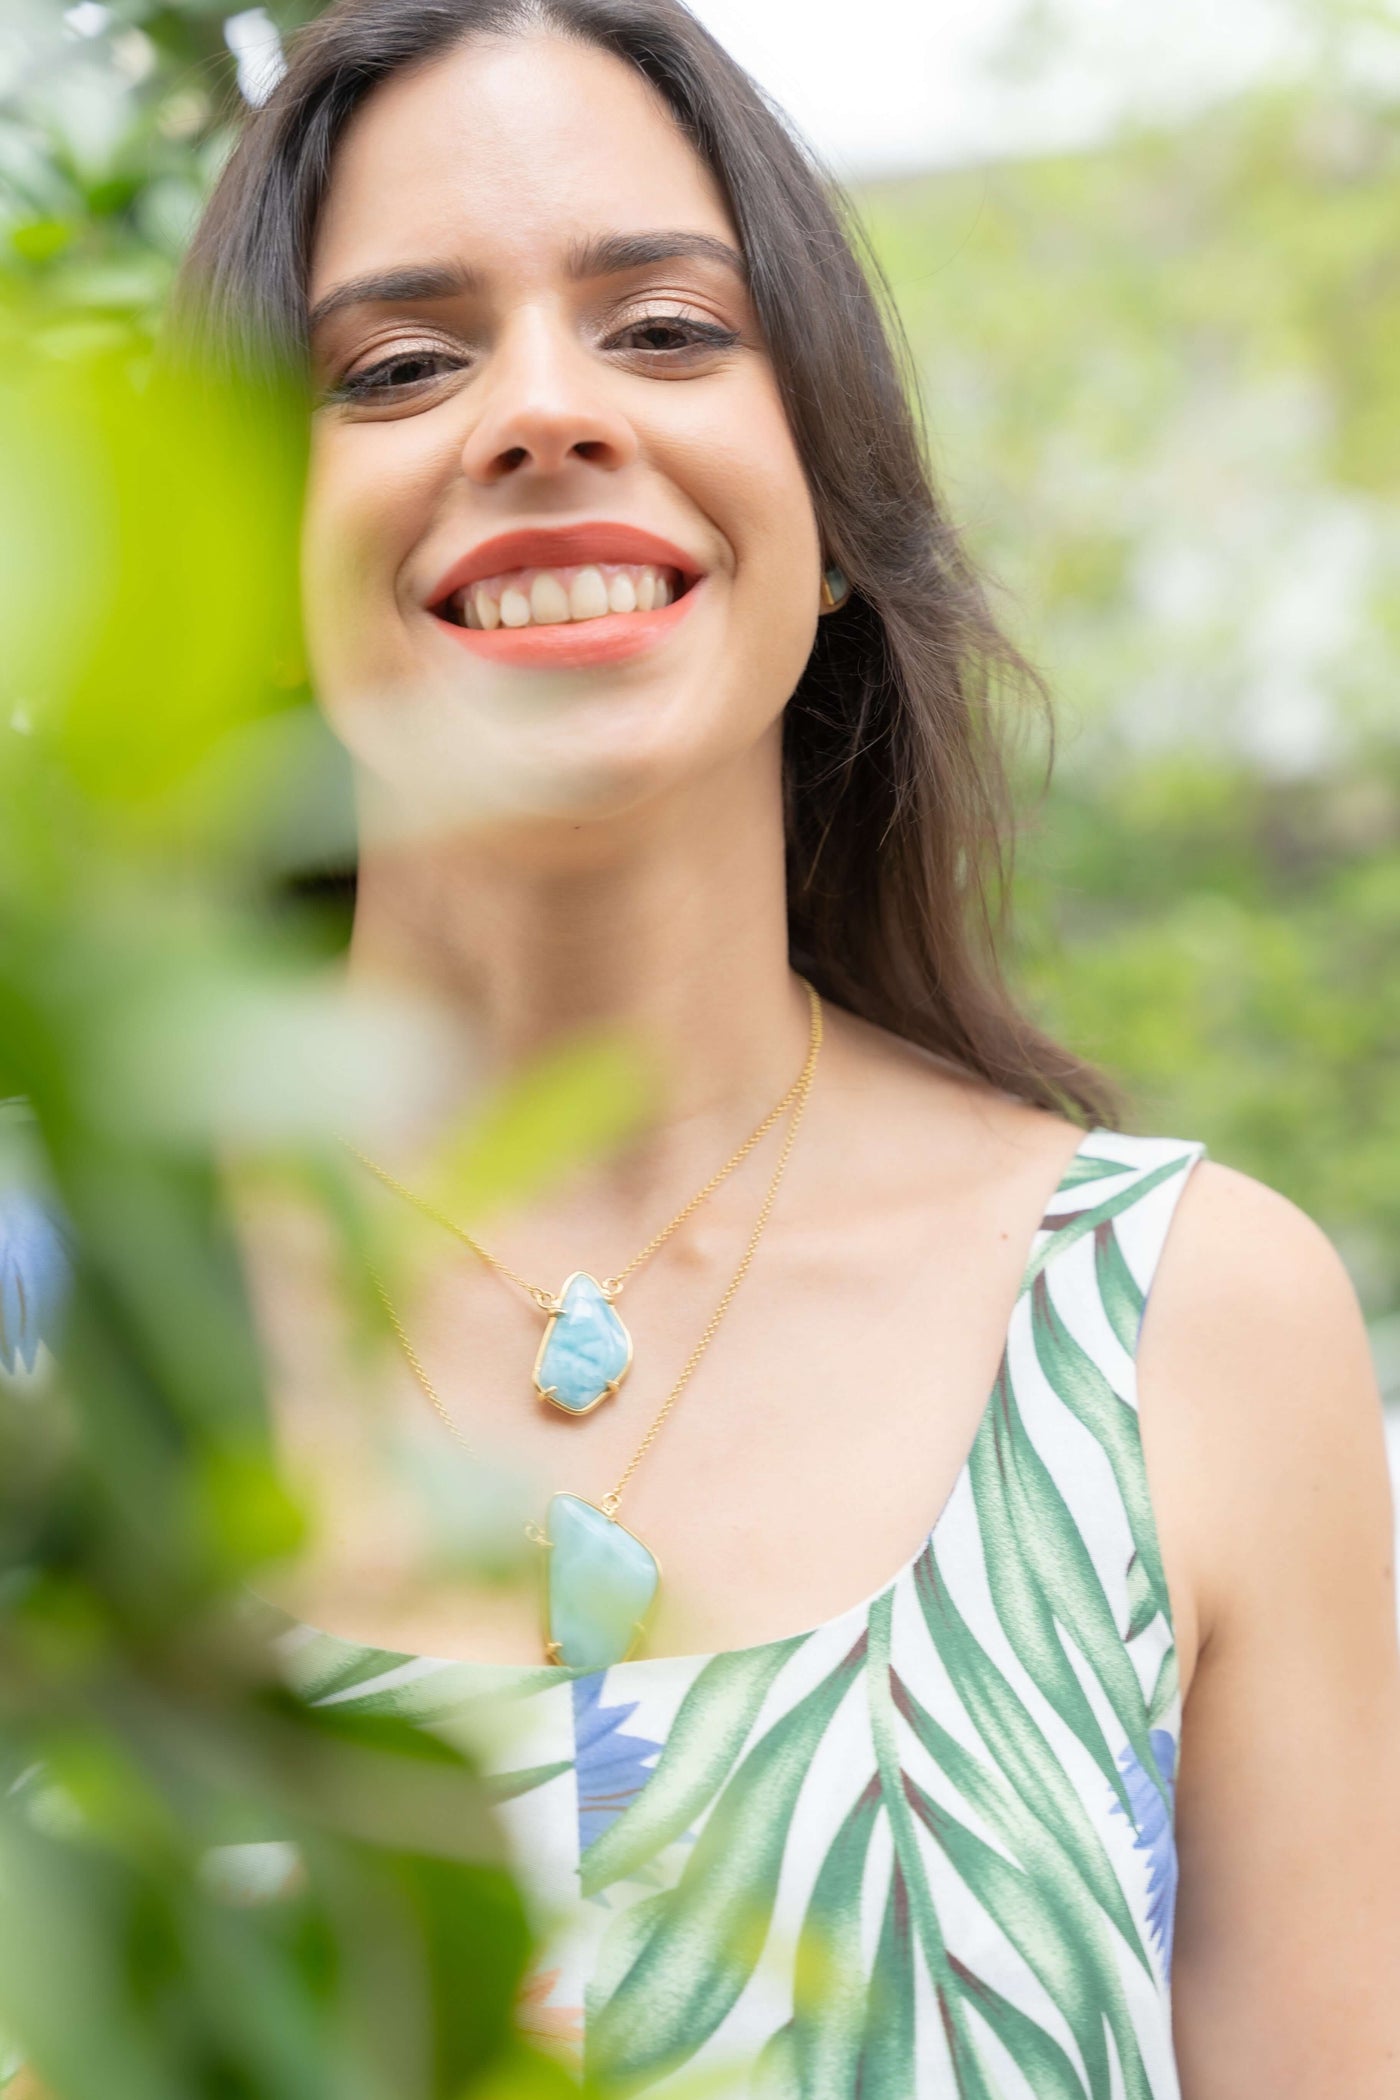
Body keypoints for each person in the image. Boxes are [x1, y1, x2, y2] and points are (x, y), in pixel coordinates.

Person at [173, 0, 1400, 2092]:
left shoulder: (1188, 1327)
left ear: (828, 507)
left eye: (664, 331)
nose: (542, 412)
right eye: (397, 366)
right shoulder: (53, 1313)